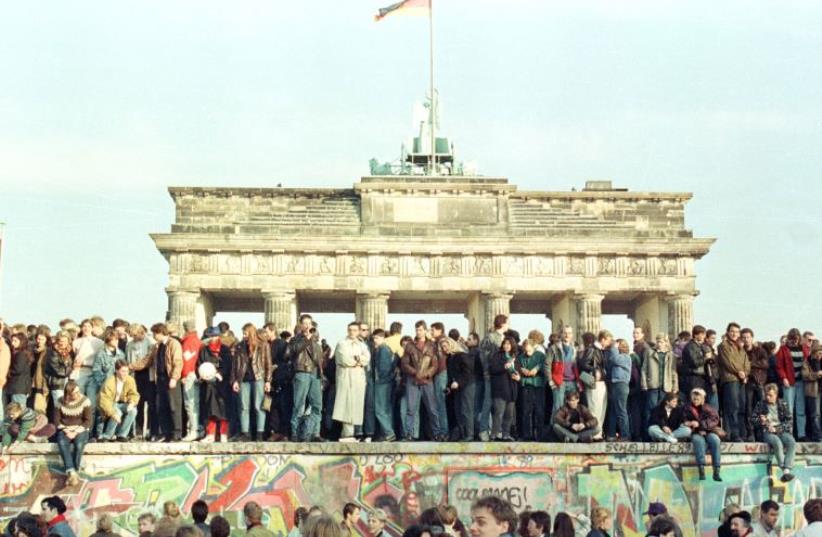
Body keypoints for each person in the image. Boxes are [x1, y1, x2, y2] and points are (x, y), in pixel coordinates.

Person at [131, 323, 184, 442]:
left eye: (155, 333)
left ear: (161, 333)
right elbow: (147, 361)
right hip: (159, 380)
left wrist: (174, 378)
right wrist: (131, 366)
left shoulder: (174, 344)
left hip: (170, 378)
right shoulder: (156, 346)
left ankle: (177, 433)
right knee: (162, 407)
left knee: (174, 406)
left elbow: (178, 362)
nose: (154, 336)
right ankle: (166, 433)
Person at [401, 320, 441, 441]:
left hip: (427, 381)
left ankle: (437, 433)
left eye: (420, 329)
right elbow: (404, 363)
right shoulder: (410, 345)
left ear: (425, 330)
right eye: (417, 330)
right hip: (412, 381)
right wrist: (415, 373)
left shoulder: (432, 345)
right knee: (411, 409)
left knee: (432, 409)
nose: (418, 332)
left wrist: (427, 374)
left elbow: (435, 364)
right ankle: (409, 434)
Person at [231, 324, 272, 442]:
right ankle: (245, 433)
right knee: (244, 407)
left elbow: (268, 364)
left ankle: (260, 433)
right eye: (243, 333)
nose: (244, 336)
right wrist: (234, 380)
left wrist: (268, 381)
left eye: (245, 333)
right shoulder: (239, 346)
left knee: (259, 406)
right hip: (243, 379)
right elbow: (235, 365)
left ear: (251, 333)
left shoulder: (263, 345)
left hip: (258, 377)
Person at [289, 314, 325, 442]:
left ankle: (315, 433)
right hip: (301, 372)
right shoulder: (295, 340)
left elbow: (319, 361)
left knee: (317, 405)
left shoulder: (316, 343)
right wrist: (306, 339)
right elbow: (289, 353)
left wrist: (321, 377)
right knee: (299, 404)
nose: (307, 326)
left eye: (309, 323)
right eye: (305, 323)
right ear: (301, 325)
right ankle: (295, 432)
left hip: (315, 374)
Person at [333, 323, 371, 442]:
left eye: (355, 330)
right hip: (346, 377)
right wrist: (358, 361)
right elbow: (344, 359)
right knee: (345, 405)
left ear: (358, 331)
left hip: (358, 379)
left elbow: (367, 358)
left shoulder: (362, 345)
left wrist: (358, 360)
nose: (352, 332)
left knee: (356, 405)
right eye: (350, 330)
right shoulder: (341, 343)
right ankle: (346, 433)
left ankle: (353, 433)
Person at [751, 383, 796, 482]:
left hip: (780, 430)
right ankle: (784, 471)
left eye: (770, 395)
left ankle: (787, 468)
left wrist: (777, 429)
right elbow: (753, 420)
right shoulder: (761, 404)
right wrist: (761, 420)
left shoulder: (782, 403)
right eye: (766, 395)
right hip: (767, 431)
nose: (768, 397)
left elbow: (789, 421)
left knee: (791, 442)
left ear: (776, 394)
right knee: (777, 443)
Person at [53, 380, 92, 486]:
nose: (77, 394)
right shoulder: (59, 402)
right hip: (65, 429)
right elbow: (56, 420)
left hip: (80, 429)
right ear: (68, 393)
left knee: (79, 445)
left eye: (78, 391)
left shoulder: (85, 401)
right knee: (61, 443)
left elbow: (88, 421)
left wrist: (75, 432)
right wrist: (66, 430)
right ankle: (71, 471)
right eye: (75, 393)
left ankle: (73, 472)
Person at [477, 315, 509, 441]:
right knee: (488, 402)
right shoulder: (490, 337)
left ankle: (496, 430)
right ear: (502, 324)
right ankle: (483, 430)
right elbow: (483, 357)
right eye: (507, 322)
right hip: (490, 375)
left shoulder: (504, 338)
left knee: (498, 404)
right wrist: (487, 371)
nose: (508, 325)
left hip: (500, 376)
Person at [198, 328, 233, 443]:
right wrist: (202, 375)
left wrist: (220, 373)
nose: (209, 340)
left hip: (222, 384)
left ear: (217, 337)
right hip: (208, 385)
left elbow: (228, 365)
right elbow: (200, 364)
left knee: (223, 410)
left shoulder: (225, 350)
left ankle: (223, 434)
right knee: (210, 409)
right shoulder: (204, 350)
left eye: (212, 337)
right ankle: (210, 434)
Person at [718, 323, 751, 442]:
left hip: (741, 380)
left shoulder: (740, 347)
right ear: (728, 332)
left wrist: (745, 373)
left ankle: (742, 434)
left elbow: (747, 362)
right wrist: (739, 372)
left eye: (737, 332)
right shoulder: (723, 346)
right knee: (732, 407)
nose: (734, 334)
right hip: (730, 379)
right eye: (732, 331)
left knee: (741, 407)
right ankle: (733, 434)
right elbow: (729, 362)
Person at [775, 328, 809, 441]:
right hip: (789, 382)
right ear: (788, 338)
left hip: (801, 382)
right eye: (791, 339)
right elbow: (779, 366)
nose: (794, 341)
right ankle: (788, 433)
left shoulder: (804, 348)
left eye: (796, 339)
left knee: (801, 409)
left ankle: (801, 434)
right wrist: (784, 378)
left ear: (799, 338)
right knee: (788, 409)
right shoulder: (783, 349)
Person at [683, 387, 722, 481]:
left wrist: (701, 425)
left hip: (708, 431)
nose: (695, 400)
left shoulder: (709, 408)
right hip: (695, 432)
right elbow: (683, 420)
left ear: (702, 398)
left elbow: (714, 420)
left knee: (715, 440)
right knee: (698, 441)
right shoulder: (687, 408)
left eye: (697, 398)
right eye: (693, 398)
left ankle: (716, 470)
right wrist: (688, 423)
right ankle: (701, 469)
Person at [578, 330, 612, 441]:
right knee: (594, 409)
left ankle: (598, 433)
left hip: (601, 382)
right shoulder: (592, 349)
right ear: (603, 339)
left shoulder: (601, 350)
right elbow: (583, 364)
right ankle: (594, 433)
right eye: (608, 340)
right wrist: (595, 370)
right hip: (594, 382)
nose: (609, 343)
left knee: (601, 409)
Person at [641, 334, 678, 432]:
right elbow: (644, 369)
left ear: (666, 343)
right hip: (652, 385)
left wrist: (675, 386)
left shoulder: (671, 354)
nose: (659, 344)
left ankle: (660, 432)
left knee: (662, 410)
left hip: (666, 385)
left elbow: (674, 371)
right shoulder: (649, 352)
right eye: (657, 341)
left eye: (661, 342)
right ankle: (648, 434)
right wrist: (644, 383)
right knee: (651, 409)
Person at [97, 360, 140, 442]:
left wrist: (132, 402)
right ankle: (107, 435)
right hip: (110, 404)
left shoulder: (130, 380)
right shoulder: (109, 382)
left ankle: (122, 434)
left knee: (133, 411)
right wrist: (113, 414)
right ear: (116, 371)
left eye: (127, 371)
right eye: (123, 371)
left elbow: (134, 394)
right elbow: (104, 401)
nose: (125, 373)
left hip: (121, 403)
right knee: (117, 412)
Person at [546, 326, 580, 428]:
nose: (567, 335)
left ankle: (569, 430)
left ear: (572, 335)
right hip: (559, 381)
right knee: (558, 407)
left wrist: (578, 381)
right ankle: (554, 430)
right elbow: (547, 364)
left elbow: (575, 366)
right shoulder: (553, 348)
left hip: (572, 381)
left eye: (569, 333)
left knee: (572, 407)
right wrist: (550, 380)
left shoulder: (574, 349)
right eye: (565, 333)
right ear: (561, 334)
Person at [443, 335, 476, 442]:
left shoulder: (461, 356)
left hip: (467, 385)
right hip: (457, 387)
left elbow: (468, 372)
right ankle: (463, 434)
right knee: (458, 410)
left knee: (467, 410)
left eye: (446, 346)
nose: (445, 349)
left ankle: (469, 435)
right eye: (443, 347)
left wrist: (458, 382)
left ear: (451, 345)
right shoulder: (449, 358)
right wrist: (449, 387)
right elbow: (451, 375)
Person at [126, 324, 154, 440]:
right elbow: (128, 359)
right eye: (132, 335)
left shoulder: (150, 342)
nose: (134, 337)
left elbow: (149, 360)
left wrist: (135, 366)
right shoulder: (130, 344)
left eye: (135, 335)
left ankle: (150, 431)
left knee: (151, 405)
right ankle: (137, 431)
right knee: (138, 404)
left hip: (148, 375)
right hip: (135, 376)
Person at [742, 328, 770, 441]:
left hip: (759, 381)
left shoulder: (760, 350)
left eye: (748, 337)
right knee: (748, 409)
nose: (746, 339)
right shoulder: (741, 351)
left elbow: (765, 364)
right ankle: (750, 433)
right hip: (747, 382)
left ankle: (763, 432)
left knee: (762, 408)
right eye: (744, 337)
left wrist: (750, 364)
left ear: (752, 338)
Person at [489, 337, 520, 441]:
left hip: (511, 390)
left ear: (512, 346)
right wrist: (504, 367)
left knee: (509, 415)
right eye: (505, 344)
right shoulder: (497, 355)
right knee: (498, 413)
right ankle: (494, 434)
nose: (506, 346)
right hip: (500, 389)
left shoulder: (515, 357)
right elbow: (492, 369)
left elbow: (518, 370)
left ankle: (506, 435)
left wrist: (519, 377)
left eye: (509, 344)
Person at [369, 329, 397, 442]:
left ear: (382, 338)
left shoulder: (383, 349)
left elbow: (384, 368)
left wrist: (379, 379)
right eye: (374, 338)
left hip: (382, 383)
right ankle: (388, 433)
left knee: (380, 409)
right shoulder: (385, 348)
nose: (375, 340)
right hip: (387, 382)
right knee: (386, 409)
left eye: (377, 338)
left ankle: (389, 433)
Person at [517, 339, 546, 441]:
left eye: (529, 349)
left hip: (538, 386)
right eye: (525, 349)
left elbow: (545, 366)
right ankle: (527, 435)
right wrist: (521, 370)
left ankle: (539, 435)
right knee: (526, 411)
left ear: (533, 347)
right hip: (526, 386)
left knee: (539, 411)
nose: (527, 351)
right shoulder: (521, 357)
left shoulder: (540, 356)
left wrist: (537, 368)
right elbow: (518, 367)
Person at [180, 322, 204, 442]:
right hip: (196, 373)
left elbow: (187, 360)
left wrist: (184, 374)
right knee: (196, 403)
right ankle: (198, 429)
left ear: (185, 330)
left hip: (189, 374)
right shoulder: (198, 341)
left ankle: (193, 430)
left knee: (190, 403)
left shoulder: (188, 342)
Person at [606, 339, 632, 441]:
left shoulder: (626, 357)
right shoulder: (616, 355)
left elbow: (615, 360)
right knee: (613, 410)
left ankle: (625, 435)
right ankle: (611, 434)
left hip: (621, 384)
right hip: (615, 384)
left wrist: (614, 347)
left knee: (621, 410)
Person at [71, 319, 104, 401]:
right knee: (78, 397)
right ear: (81, 328)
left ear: (92, 328)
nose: (86, 328)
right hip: (80, 371)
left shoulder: (99, 342)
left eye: (89, 326)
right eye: (84, 326)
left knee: (92, 399)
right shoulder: (76, 342)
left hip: (93, 372)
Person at [45, 333, 74, 407]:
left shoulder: (70, 351)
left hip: (67, 382)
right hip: (57, 383)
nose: (62, 343)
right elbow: (59, 371)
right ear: (57, 341)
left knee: (68, 406)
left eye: (65, 341)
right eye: (61, 341)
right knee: (59, 406)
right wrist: (72, 368)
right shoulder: (53, 352)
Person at [801, 342, 822, 442]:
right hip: (813, 392)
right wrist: (816, 374)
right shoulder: (807, 361)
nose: (819, 355)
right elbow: (805, 375)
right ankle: (817, 436)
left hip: (820, 391)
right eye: (818, 353)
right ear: (813, 353)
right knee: (815, 414)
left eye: (821, 353)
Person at [7, 333, 33, 406]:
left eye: (15, 341)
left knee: (18, 410)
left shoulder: (20, 354)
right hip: (20, 387)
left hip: (18, 387)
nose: (12, 343)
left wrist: (7, 372)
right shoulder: (22, 353)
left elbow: (18, 369)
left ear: (21, 342)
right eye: (12, 340)